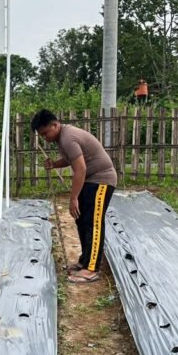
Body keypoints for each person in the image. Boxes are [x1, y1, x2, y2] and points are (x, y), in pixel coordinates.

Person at [32, 110, 117, 284]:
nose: (45, 138)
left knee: (93, 222)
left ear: (55, 125)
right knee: (82, 219)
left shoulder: (68, 138)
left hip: (102, 179)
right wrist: (55, 164)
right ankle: (84, 261)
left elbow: (81, 169)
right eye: (41, 135)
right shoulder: (63, 137)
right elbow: (71, 159)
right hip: (91, 180)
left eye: (45, 133)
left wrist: (73, 198)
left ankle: (92, 269)